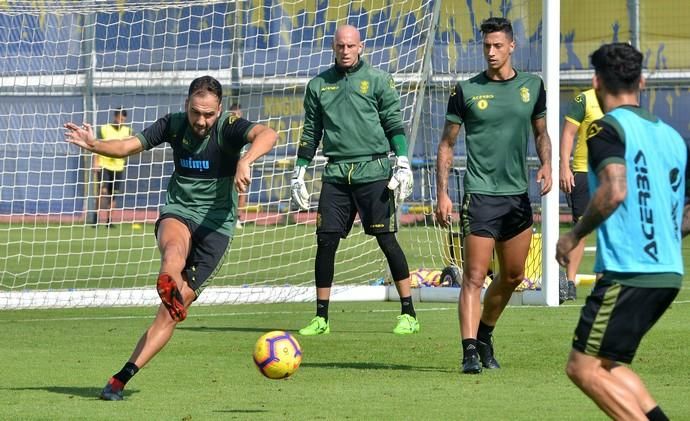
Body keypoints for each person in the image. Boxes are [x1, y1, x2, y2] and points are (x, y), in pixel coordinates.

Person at [64, 76, 278, 401]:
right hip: (179, 210)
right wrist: (92, 144)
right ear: (186, 105)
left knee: (171, 312)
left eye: (208, 114)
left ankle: (120, 379)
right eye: (196, 112)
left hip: (217, 228)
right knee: (174, 249)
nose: (201, 121)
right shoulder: (172, 125)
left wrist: (246, 160)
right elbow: (126, 147)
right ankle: (167, 278)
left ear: (219, 110)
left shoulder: (229, 127)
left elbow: (268, 134)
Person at [556, 42, 687, 421]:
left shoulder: (604, 128)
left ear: (596, 83)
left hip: (629, 272)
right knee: (608, 364)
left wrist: (574, 235)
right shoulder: (672, 137)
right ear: (641, 81)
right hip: (668, 273)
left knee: (581, 367)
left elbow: (614, 189)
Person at [435, 17, 553, 374]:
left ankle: (485, 335)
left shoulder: (533, 87)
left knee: (514, 275)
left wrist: (547, 163)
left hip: (517, 197)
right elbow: (446, 145)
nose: (491, 52)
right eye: (486, 46)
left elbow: (542, 133)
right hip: (480, 195)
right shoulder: (466, 90)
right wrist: (442, 193)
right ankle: (469, 351)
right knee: (473, 276)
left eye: (498, 46)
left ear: (512, 46)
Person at [290, 24, 419, 336]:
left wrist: (402, 162)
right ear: (333, 48)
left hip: (373, 171)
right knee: (325, 241)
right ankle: (321, 318)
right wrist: (300, 172)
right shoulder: (318, 84)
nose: (345, 51)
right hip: (335, 174)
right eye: (340, 47)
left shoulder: (378, 80)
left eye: (350, 46)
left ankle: (409, 313)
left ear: (361, 47)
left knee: (386, 240)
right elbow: (311, 131)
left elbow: (394, 124)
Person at [559, 88, 603, 301]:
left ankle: (600, 285)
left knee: (608, 232)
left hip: (610, 173)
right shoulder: (584, 99)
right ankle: (570, 283)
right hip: (584, 172)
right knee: (581, 230)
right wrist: (565, 167)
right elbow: (568, 133)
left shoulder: (622, 100)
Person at [94, 107, 131, 227]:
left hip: (118, 167)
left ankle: (109, 221)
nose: (121, 121)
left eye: (123, 119)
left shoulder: (128, 131)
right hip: (104, 165)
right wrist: (96, 162)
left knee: (112, 195)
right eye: (120, 118)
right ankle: (96, 218)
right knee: (102, 191)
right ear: (115, 117)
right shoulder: (104, 129)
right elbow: (97, 146)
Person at [230, 103, 247, 229]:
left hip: (240, 164)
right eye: (235, 113)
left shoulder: (244, 128)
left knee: (241, 191)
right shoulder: (227, 127)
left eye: (239, 114)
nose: (237, 116)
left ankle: (238, 218)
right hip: (228, 164)